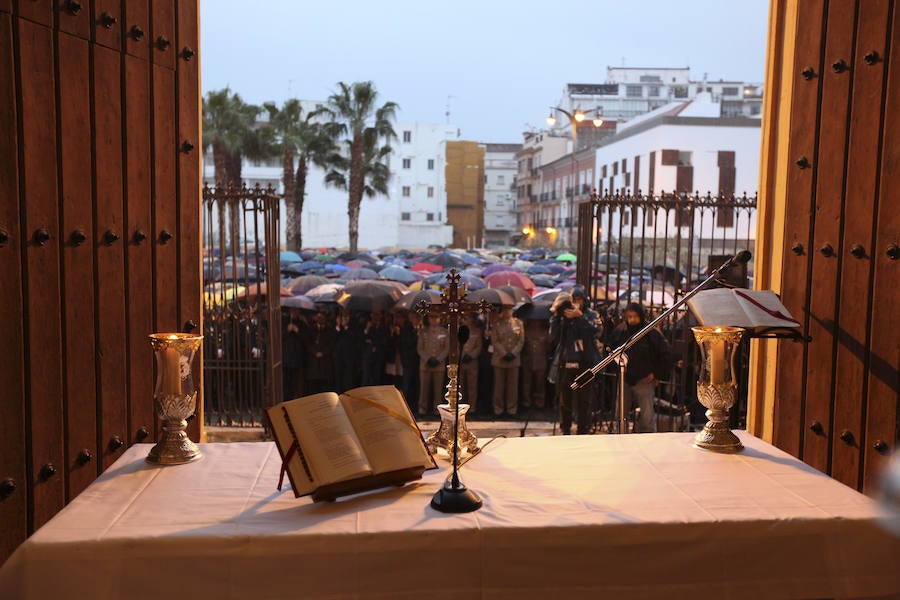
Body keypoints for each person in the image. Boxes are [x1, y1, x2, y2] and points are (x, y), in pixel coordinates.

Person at [606, 302, 676, 433]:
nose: (632, 319)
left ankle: (648, 441)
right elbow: (610, 352)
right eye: (629, 316)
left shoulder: (650, 332)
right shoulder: (620, 331)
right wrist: (618, 371)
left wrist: (655, 374)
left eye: (635, 316)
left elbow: (665, 355)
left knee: (647, 416)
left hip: (645, 379)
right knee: (621, 414)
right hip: (625, 378)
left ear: (641, 316)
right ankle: (620, 438)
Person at [549, 290, 601, 434]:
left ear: (585, 300)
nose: (577, 303)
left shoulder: (591, 315)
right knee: (565, 399)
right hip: (566, 362)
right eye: (574, 300)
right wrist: (556, 315)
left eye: (580, 299)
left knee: (584, 400)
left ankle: (583, 429)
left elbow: (597, 330)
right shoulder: (562, 316)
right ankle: (565, 428)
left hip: (585, 362)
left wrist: (580, 317)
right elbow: (553, 336)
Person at [489, 304, 524, 416]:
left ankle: (511, 409)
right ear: (502, 310)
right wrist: (504, 353)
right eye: (505, 309)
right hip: (500, 359)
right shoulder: (496, 323)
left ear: (513, 310)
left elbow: (521, 340)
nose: (507, 311)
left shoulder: (518, 323)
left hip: (514, 359)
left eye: (510, 309)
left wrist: (513, 353)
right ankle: (498, 409)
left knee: (512, 387)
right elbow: (495, 341)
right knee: (499, 387)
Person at [417, 315, 448, 415]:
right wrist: (428, 358)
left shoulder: (444, 332)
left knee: (438, 389)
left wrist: (438, 359)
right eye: (432, 318)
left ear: (440, 319)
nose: (434, 320)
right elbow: (420, 348)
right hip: (426, 364)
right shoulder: (423, 332)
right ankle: (422, 408)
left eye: (436, 317)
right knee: (424, 388)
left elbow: (447, 348)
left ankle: (437, 409)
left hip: (439, 364)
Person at [521, 317, 551, 410]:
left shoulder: (546, 331)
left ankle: (539, 403)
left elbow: (549, 347)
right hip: (527, 360)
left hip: (541, 360)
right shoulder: (525, 330)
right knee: (526, 384)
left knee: (540, 383)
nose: (535, 322)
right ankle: (526, 403)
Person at [303, 310, 335, 394]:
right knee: (314, 387)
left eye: (322, 318)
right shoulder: (311, 329)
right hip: (313, 362)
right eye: (318, 318)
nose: (320, 319)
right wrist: (315, 352)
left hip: (325, 363)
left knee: (324, 386)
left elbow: (331, 344)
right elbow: (307, 343)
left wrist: (323, 352)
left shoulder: (330, 329)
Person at [458, 313, 483, 410]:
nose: (465, 320)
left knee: (472, 386)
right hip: (461, 361)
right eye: (463, 318)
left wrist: (471, 355)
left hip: (472, 362)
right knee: (461, 386)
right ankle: (461, 407)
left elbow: (479, 346)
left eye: (467, 318)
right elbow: (454, 345)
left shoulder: (477, 331)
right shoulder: (458, 330)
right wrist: (461, 356)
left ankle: (472, 408)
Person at [361, 310, 389, 386]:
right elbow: (362, 339)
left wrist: (372, 342)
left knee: (376, 377)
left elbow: (384, 340)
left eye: (377, 314)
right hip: (368, 355)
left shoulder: (383, 326)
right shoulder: (366, 324)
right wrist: (367, 329)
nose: (375, 316)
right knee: (366, 377)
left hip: (378, 355)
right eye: (373, 314)